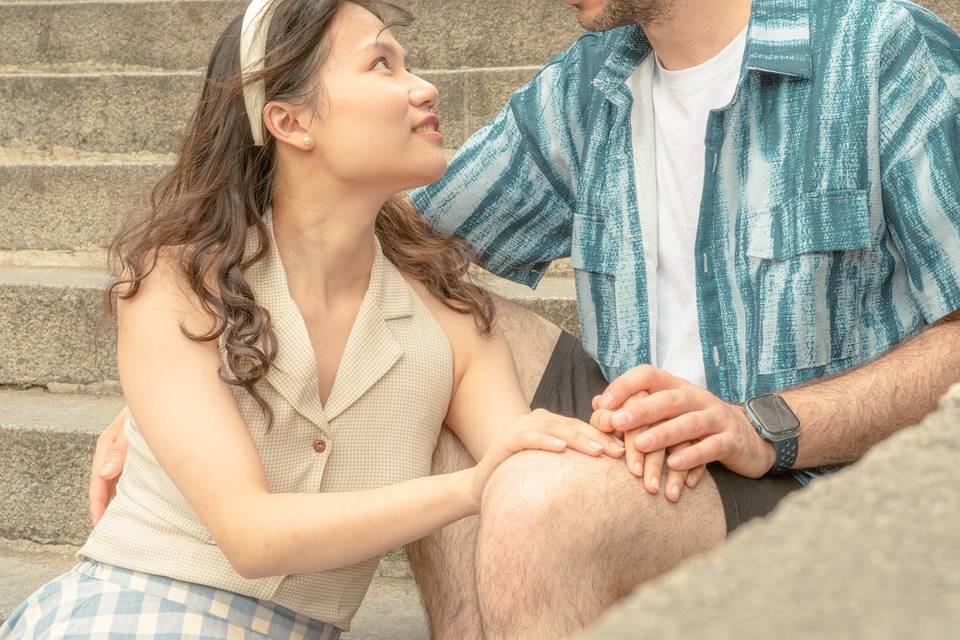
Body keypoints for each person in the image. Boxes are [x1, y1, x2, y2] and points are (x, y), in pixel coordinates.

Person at [90, 0, 960, 638]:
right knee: (436, 335)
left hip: (825, 480)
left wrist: (764, 424)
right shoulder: (594, 82)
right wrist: (186, 380)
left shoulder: (877, 50)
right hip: (650, 453)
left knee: (534, 489)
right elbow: (365, 235)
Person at [0, 1, 626, 638]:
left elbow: (525, 465)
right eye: (381, 64)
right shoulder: (177, 284)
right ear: (291, 121)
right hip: (134, 614)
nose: (423, 87)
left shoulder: (453, 322)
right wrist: (471, 487)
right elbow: (251, 536)